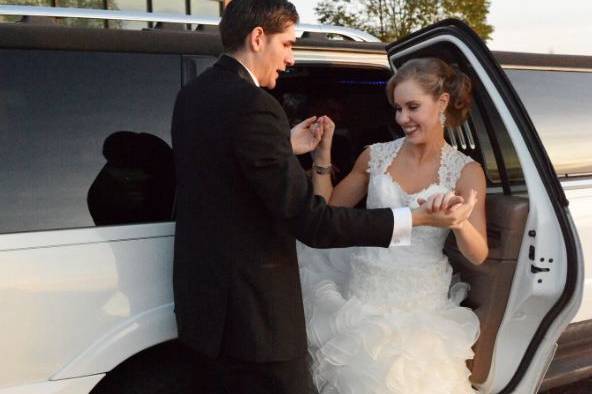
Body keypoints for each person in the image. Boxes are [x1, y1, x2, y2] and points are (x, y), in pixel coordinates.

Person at [170, 2, 463, 393]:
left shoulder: (192, 95)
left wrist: (282, 145)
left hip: (203, 305)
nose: (290, 59)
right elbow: (313, 222)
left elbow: (220, 169)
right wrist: (416, 219)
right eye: (288, 44)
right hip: (254, 317)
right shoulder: (255, 105)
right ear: (258, 38)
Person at [298, 57, 489, 393]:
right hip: (362, 302)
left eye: (412, 107)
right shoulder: (375, 156)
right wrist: (322, 159)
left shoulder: (466, 171)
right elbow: (327, 213)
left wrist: (459, 223)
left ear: (442, 103)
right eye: (397, 108)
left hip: (421, 311)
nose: (402, 118)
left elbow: (478, 254)